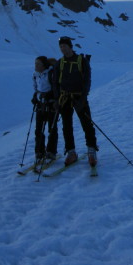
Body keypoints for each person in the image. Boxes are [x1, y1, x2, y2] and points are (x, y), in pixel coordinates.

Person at [52, 36, 98, 167]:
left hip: (78, 97)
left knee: (87, 124)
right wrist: (56, 99)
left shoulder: (81, 61)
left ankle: (91, 150)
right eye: (61, 46)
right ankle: (71, 152)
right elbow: (55, 82)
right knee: (66, 125)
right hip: (64, 97)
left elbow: (87, 80)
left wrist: (83, 98)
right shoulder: (59, 63)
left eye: (64, 46)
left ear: (70, 46)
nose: (62, 49)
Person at [31, 56, 58, 164]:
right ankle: (39, 152)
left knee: (51, 129)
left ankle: (51, 152)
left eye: (38, 64)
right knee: (38, 130)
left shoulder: (51, 74)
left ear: (44, 65)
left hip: (51, 104)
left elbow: (56, 89)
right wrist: (35, 97)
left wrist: (49, 96)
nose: (36, 66)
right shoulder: (35, 75)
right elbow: (36, 89)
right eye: (35, 63)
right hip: (41, 104)